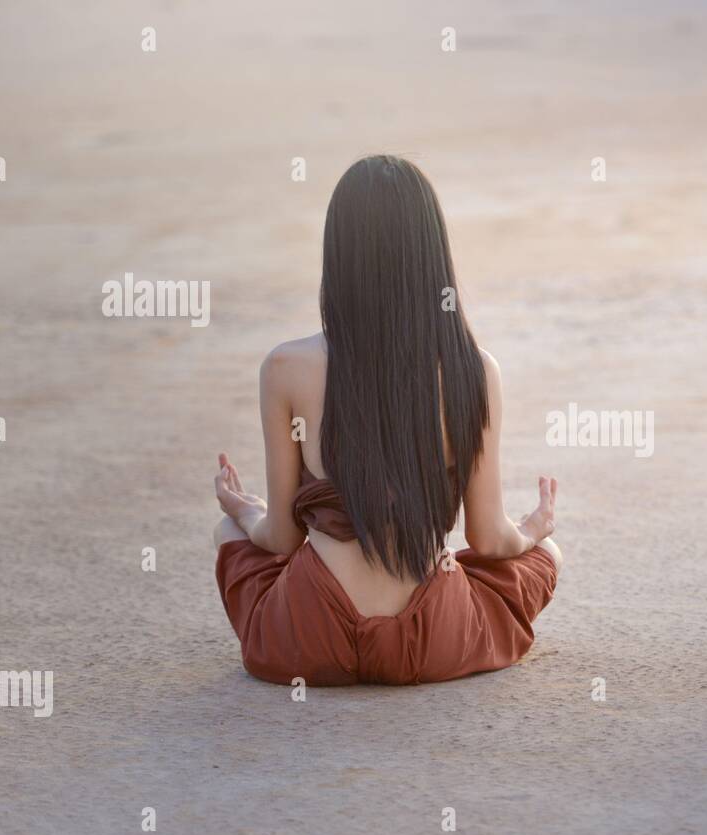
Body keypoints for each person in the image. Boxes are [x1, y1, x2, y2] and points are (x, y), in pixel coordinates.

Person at [214, 155, 561, 686]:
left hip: (313, 638)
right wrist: (535, 529)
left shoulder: (285, 367)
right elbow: (489, 541)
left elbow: (281, 540)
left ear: (338, 255)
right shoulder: (475, 370)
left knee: (226, 534)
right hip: (433, 637)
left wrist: (245, 514)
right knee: (546, 554)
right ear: (431, 256)